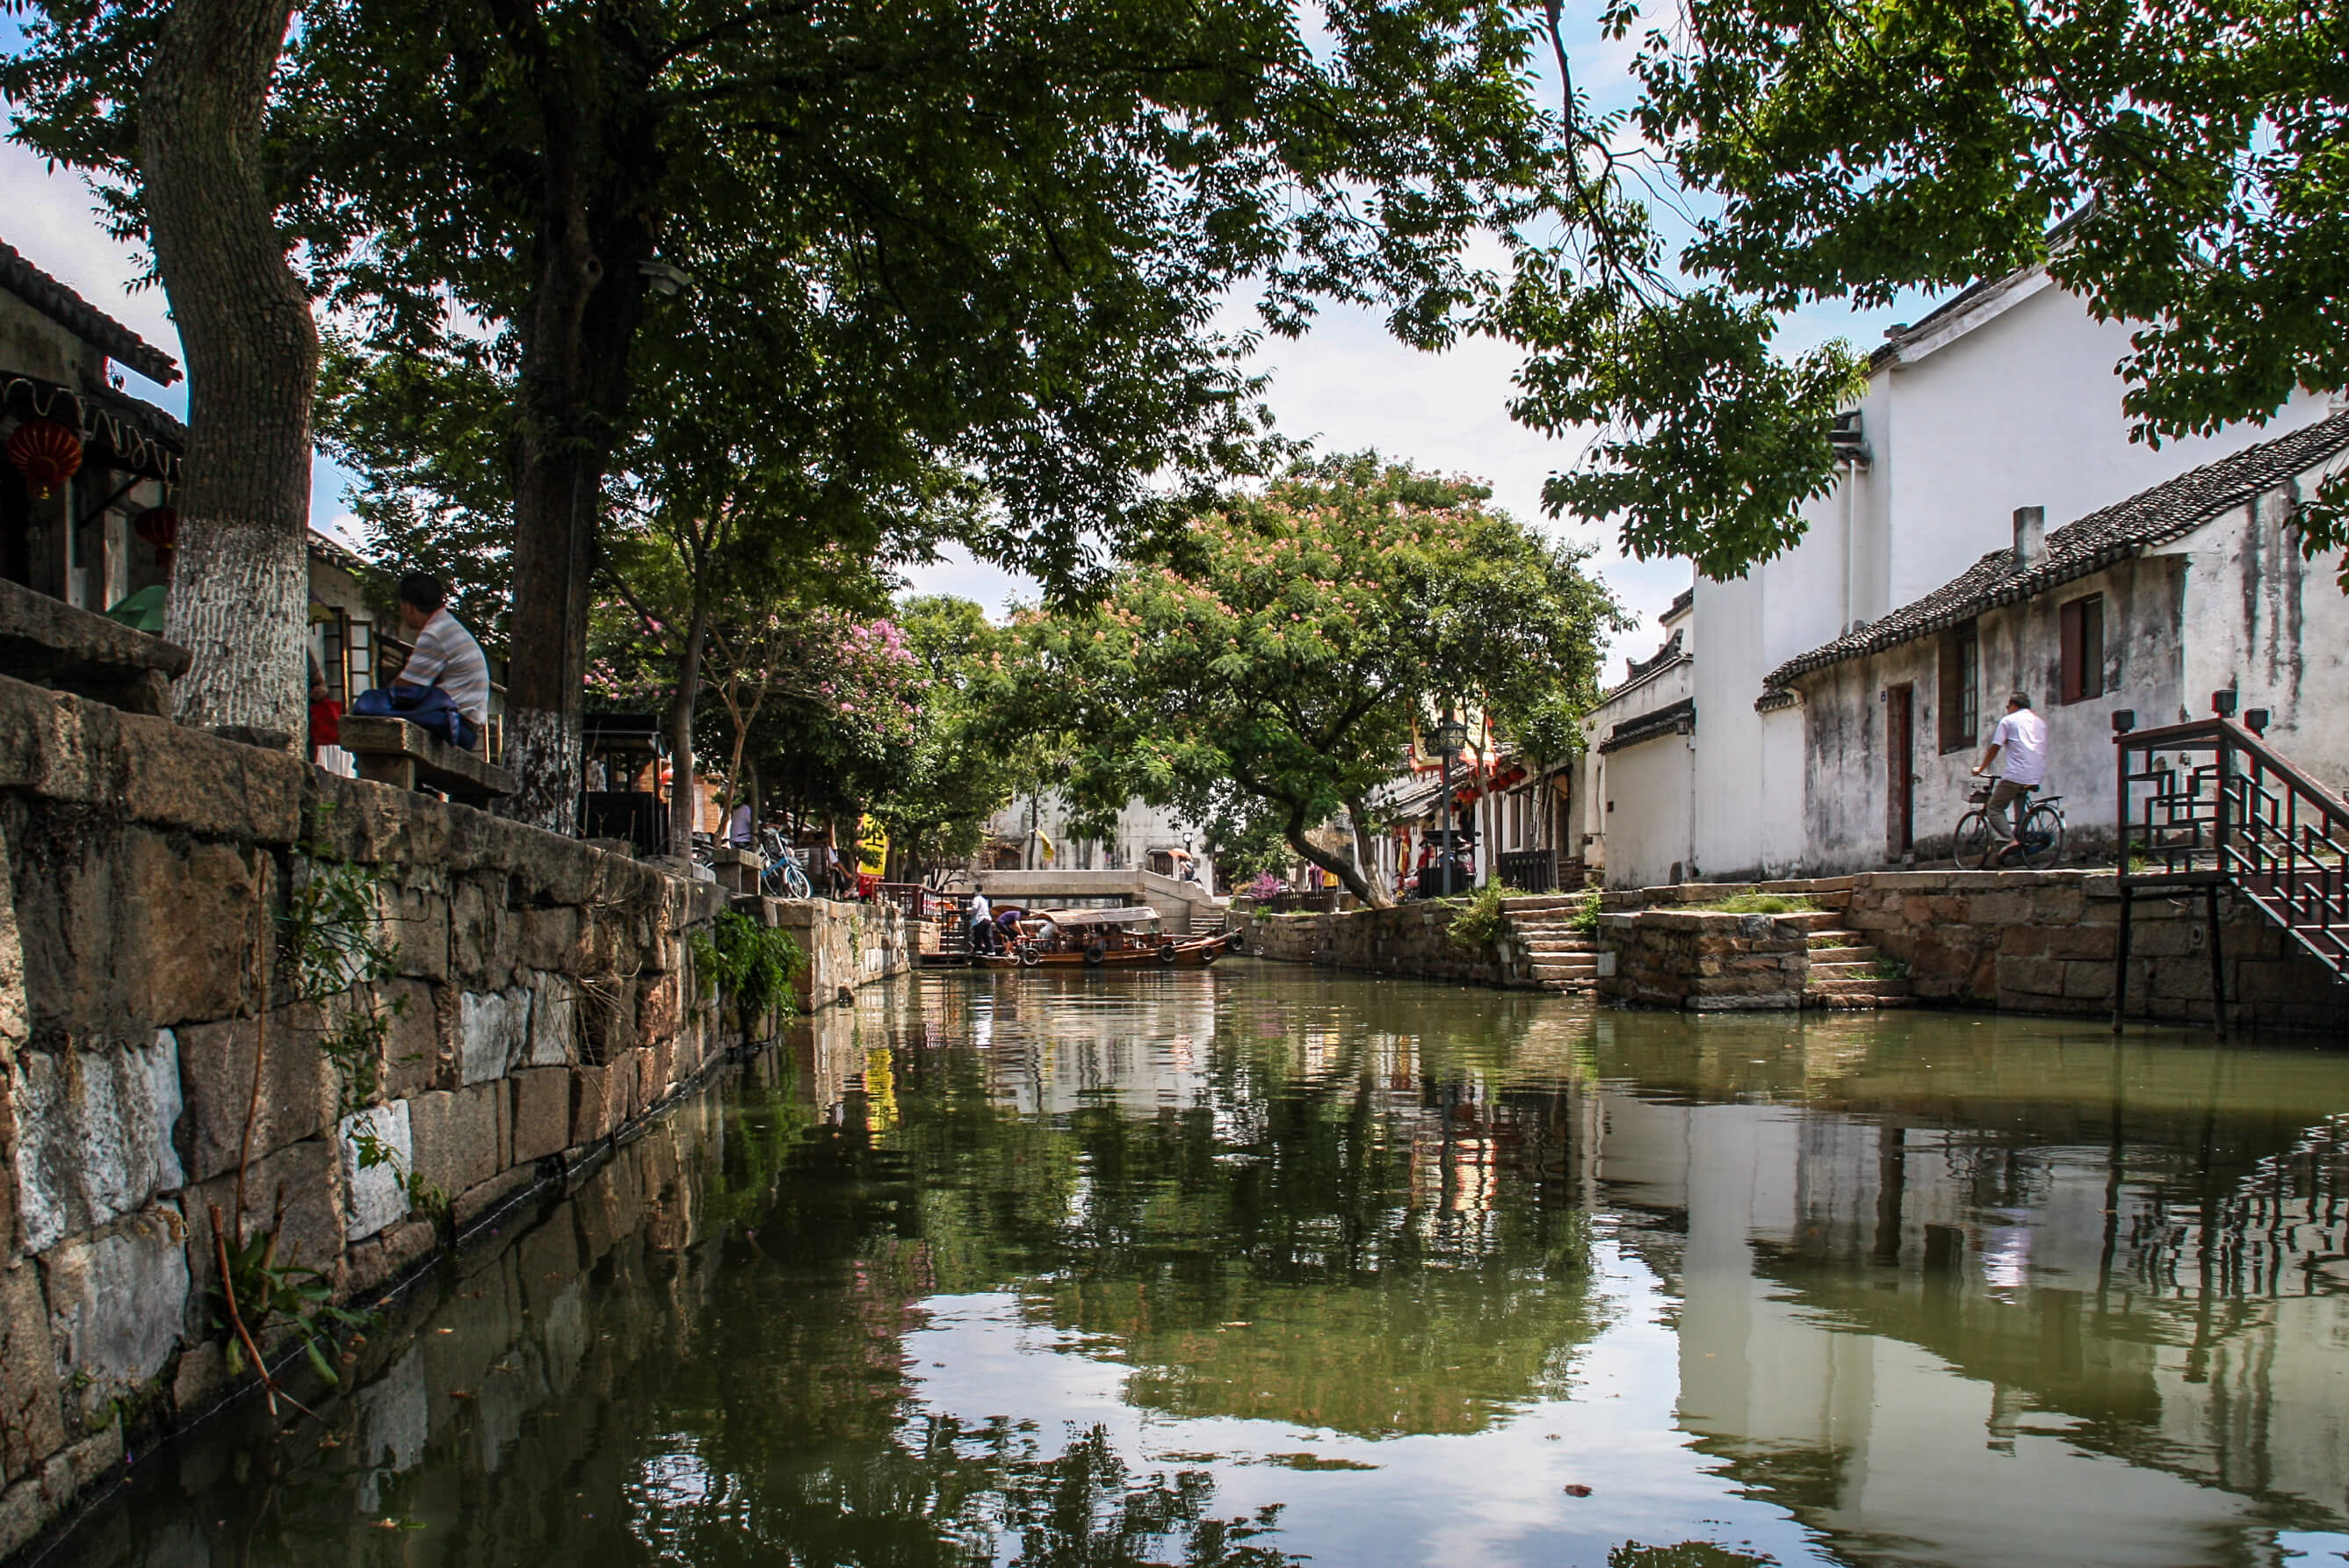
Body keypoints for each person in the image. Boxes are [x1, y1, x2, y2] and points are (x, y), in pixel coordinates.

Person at [392, 572, 491, 750]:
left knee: (373, 711)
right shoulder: (448, 626)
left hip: (454, 724)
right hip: (463, 724)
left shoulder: (435, 634)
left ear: (408, 606)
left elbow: (404, 689)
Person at [1974, 690, 2050, 862]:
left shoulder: (2008, 721)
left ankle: (2010, 840)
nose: (2007, 709)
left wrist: (1981, 767)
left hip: (2017, 774)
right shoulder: (2040, 723)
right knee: (2019, 807)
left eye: (2008, 706)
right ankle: (2021, 840)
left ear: (2014, 706)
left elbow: (1995, 747)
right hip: (2037, 773)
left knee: (1994, 808)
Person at [966, 890, 996, 956]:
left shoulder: (976, 899)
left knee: (978, 936)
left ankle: (978, 950)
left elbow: (975, 908)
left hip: (980, 919)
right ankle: (991, 951)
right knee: (987, 936)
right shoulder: (984, 900)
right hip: (988, 919)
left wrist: (967, 910)